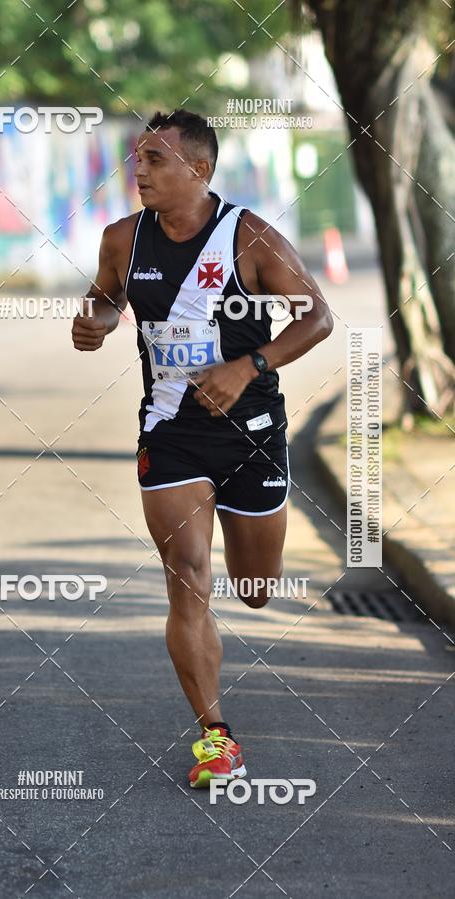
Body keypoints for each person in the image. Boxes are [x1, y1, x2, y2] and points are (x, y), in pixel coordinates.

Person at [72, 109, 333, 789]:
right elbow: (104, 299)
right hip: (171, 432)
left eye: (156, 160)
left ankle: (248, 586)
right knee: (187, 573)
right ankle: (216, 738)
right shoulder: (122, 239)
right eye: (137, 159)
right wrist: (94, 323)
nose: (140, 172)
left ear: (200, 169)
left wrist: (250, 366)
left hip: (251, 433)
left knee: (253, 587)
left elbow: (318, 315)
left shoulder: (249, 236)